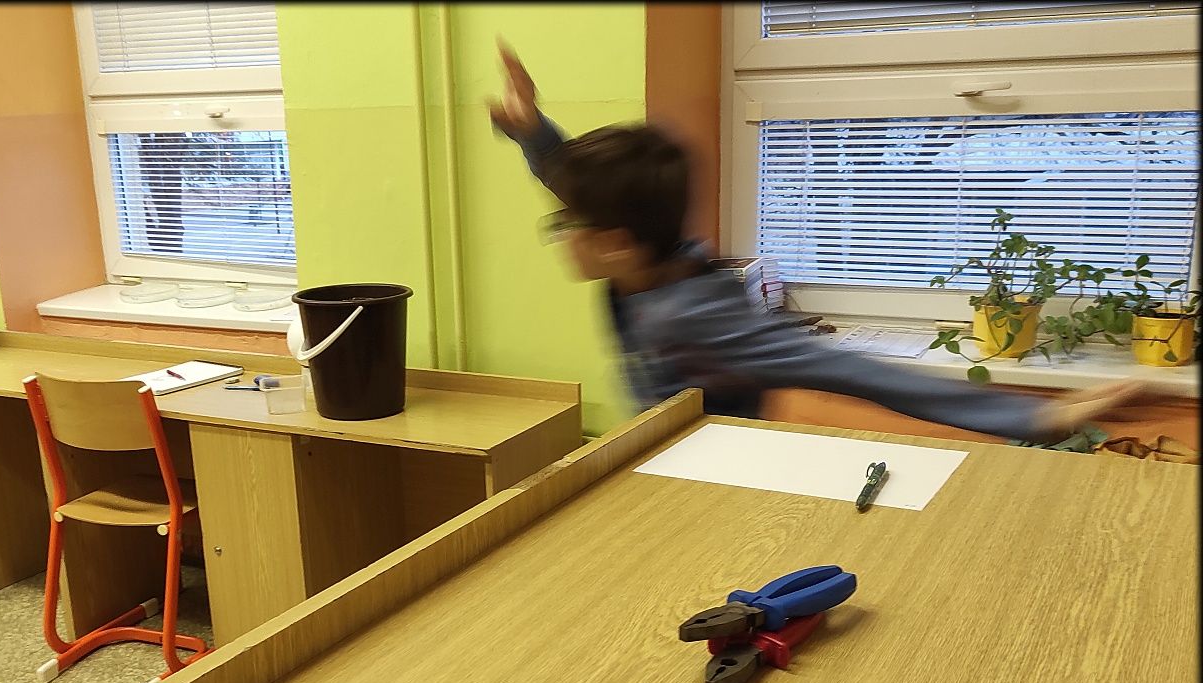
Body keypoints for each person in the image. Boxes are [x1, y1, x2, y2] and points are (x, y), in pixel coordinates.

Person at [487, 42, 1144, 443]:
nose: (561, 233)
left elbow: (848, 370)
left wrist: (1027, 418)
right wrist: (534, 133)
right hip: (660, 453)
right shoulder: (651, 257)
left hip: (717, 468)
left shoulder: (689, 313)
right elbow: (586, 193)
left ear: (615, 243)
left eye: (565, 225)